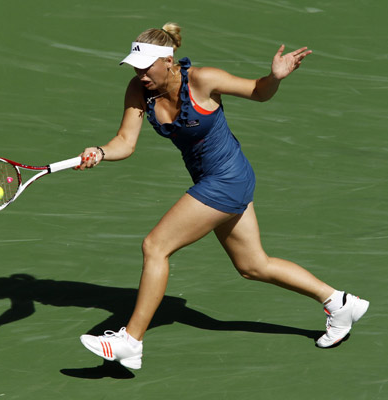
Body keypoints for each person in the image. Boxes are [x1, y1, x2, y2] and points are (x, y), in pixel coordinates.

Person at [75, 22, 369, 370]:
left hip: (227, 179)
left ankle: (131, 341)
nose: (140, 75)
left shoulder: (203, 80)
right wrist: (100, 152)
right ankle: (339, 302)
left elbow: (259, 91)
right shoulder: (139, 91)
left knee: (155, 246)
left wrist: (274, 76)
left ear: (168, 61)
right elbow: (125, 142)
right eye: (136, 68)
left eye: (146, 67)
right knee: (252, 265)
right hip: (213, 180)